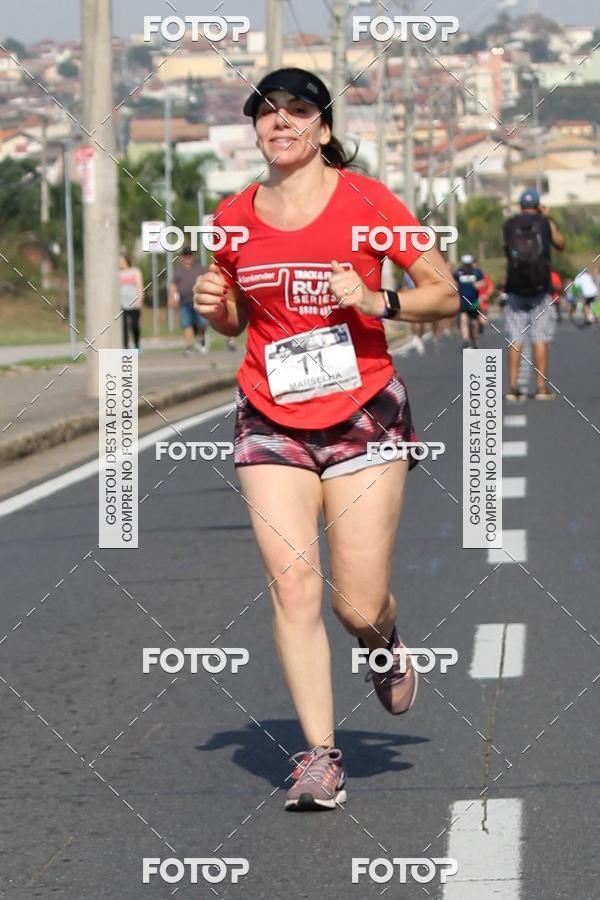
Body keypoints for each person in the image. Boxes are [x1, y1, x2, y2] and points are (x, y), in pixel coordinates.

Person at [192, 67, 457, 811]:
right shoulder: (232, 217)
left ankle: (384, 644)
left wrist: (378, 299)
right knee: (294, 585)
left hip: (363, 411)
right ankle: (318, 757)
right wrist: (214, 306)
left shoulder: (369, 202)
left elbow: (445, 292)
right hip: (270, 414)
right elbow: (233, 319)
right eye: (266, 112)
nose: (280, 122)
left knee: (357, 603)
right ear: (255, 129)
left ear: (324, 128)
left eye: (298, 109)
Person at [503, 189, 565, 401]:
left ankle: (512, 386)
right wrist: (546, 217)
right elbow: (561, 244)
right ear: (538, 205)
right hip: (541, 290)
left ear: (520, 206)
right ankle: (540, 387)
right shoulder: (544, 223)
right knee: (540, 338)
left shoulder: (510, 225)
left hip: (515, 288)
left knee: (515, 338)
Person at [168, 247, 209, 354]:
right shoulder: (178, 270)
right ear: (182, 257)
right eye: (185, 255)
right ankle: (189, 346)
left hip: (199, 300)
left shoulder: (200, 268)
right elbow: (173, 285)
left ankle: (202, 341)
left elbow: (207, 281)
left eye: (190, 255)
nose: (188, 257)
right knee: (186, 324)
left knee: (202, 323)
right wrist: (172, 297)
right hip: (184, 302)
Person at [454, 254, 485, 349]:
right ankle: (466, 340)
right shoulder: (458, 272)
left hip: (474, 300)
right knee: (463, 319)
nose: (467, 266)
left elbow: (483, 282)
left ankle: (475, 339)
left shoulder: (477, 272)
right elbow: (454, 282)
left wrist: (478, 284)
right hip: (463, 300)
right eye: (465, 264)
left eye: (469, 264)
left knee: (474, 322)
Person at [119, 253, 144, 351]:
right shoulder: (118, 273)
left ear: (126, 260)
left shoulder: (135, 271)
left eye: (121, 260)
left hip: (134, 303)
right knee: (123, 327)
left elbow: (140, 286)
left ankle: (137, 344)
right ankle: (125, 347)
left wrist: (140, 300)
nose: (119, 263)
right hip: (122, 304)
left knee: (134, 326)